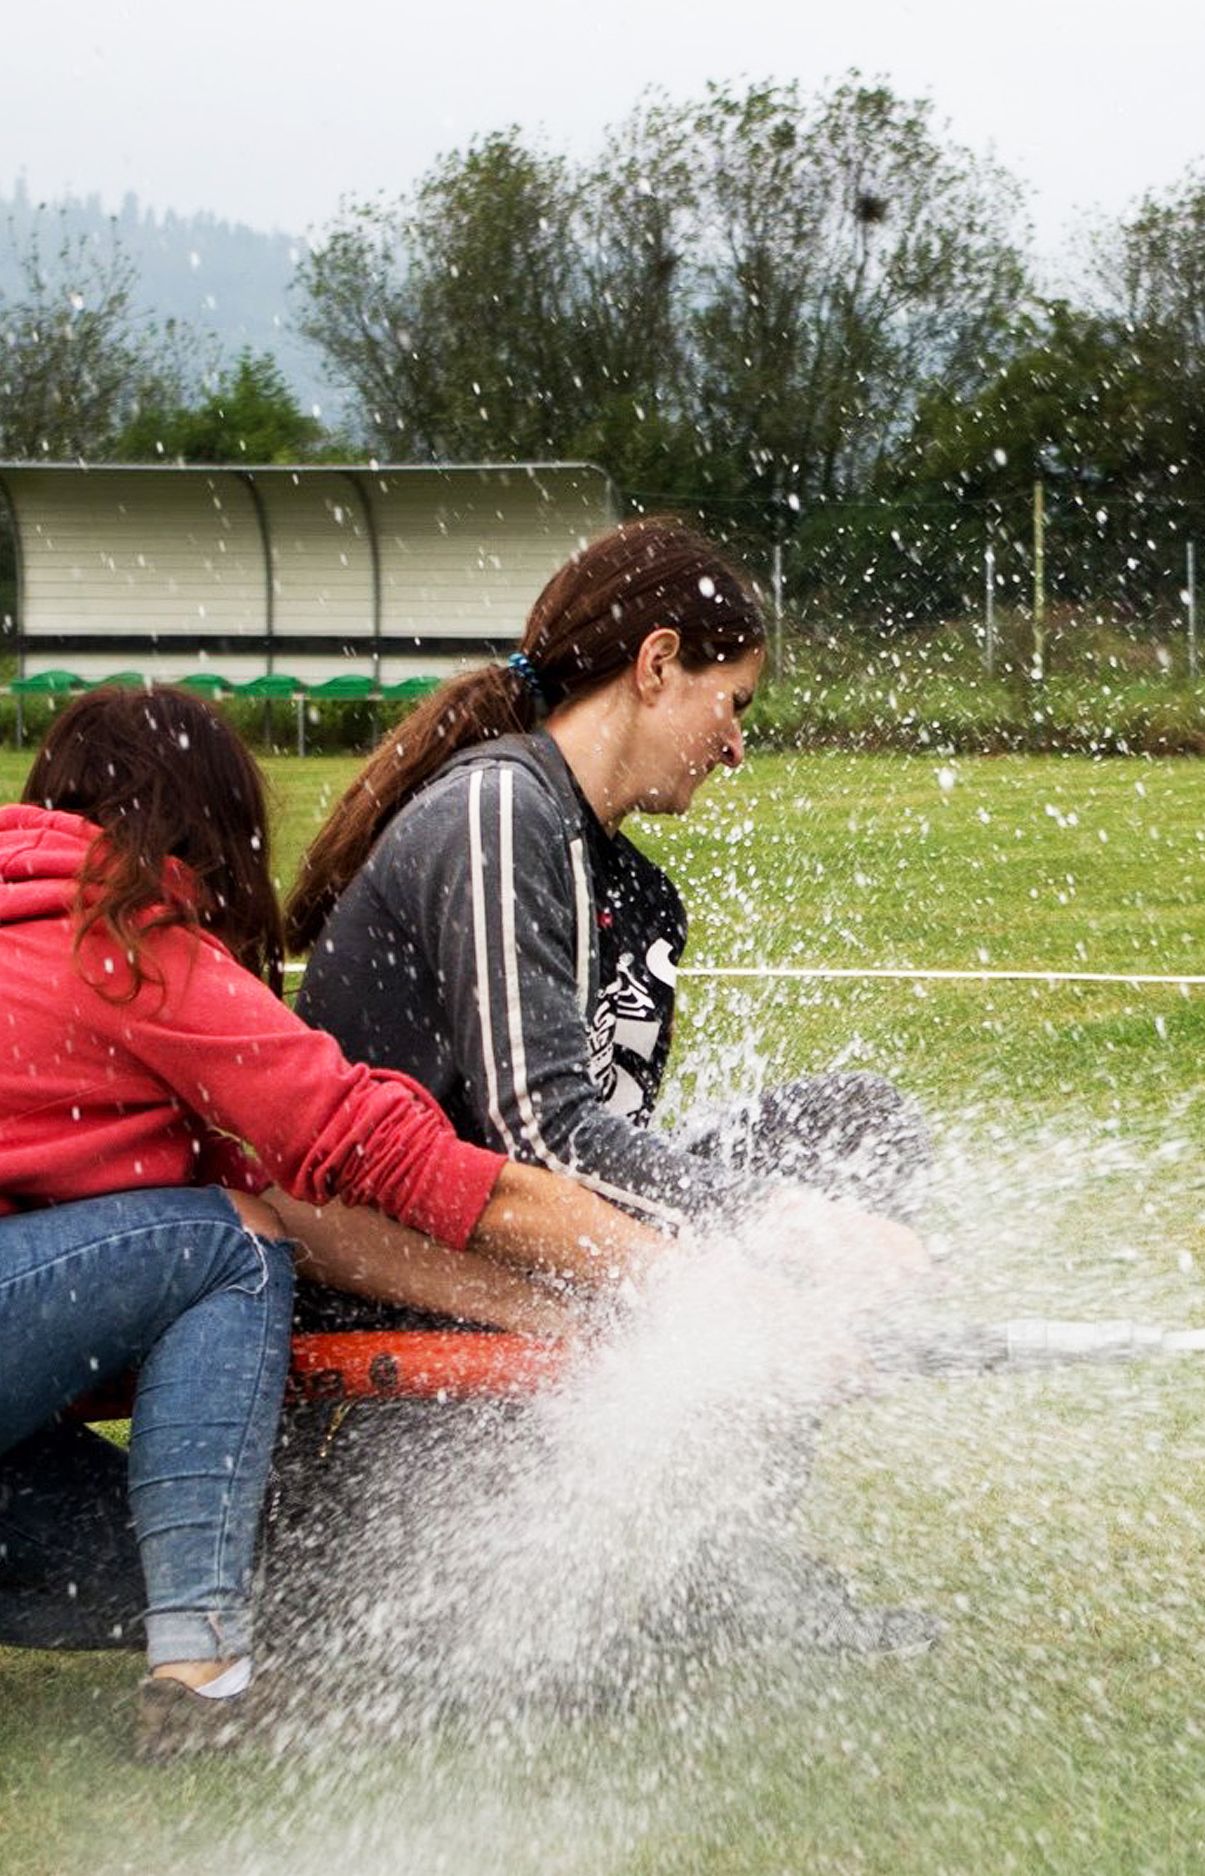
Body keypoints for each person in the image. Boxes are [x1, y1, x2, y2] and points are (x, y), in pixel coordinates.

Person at [0, 686, 662, 1757]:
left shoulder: (15, 940)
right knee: (226, 1244)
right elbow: (384, 1159)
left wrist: (536, 1313)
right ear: (210, 829)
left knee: (186, 1549)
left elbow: (316, 1216)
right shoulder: (130, 947)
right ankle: (204, 1683)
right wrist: (672, 1282)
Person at [280, 516, 936, 1661]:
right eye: (732, 704)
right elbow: (542, 1125)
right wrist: (773, 1227)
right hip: (402, 1271)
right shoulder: (499, 806)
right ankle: (709, 1580)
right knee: (776, 1217)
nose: (736, 747)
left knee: (862, 1130)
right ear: (656, 663)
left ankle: (721, 1570)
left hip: (527, 1241)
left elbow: (607, 1151)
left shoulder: (636, 894)